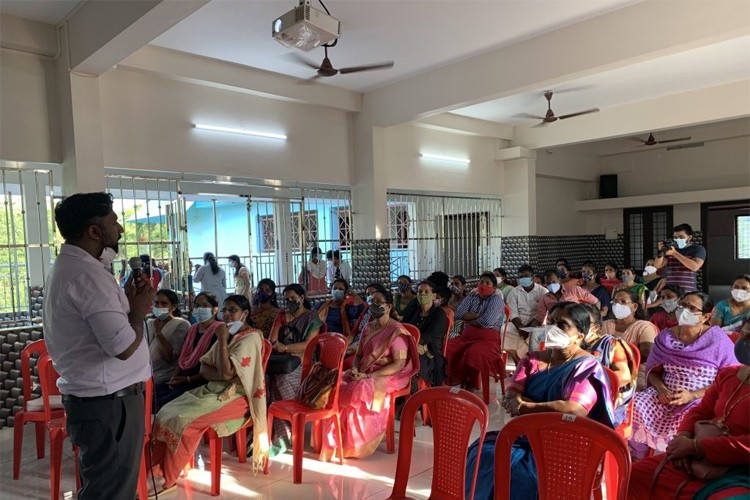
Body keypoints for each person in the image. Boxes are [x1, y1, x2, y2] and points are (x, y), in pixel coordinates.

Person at [43, 192, 153, 500]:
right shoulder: (86, 276)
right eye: (114, 222)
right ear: (94, 231)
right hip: (109, 404)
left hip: (103, 400)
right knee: (111, 493)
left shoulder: (73, 268)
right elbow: (122, 346)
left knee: (105, 489)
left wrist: (130, 306)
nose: (120, 230)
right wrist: (140, 310)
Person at [466, 303, 616, 500]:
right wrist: (548, 406)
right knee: (481, 454)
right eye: (551, 321)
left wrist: (526, 406)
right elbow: (512, 397)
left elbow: (573, 410)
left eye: (562, 325)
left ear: (580, 335)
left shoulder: (587, 367)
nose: (552, 328)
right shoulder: (532, 359)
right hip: (526, 437)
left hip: (565, 443)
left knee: (521, 473)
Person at [149, 295, 268, 496]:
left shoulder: (250, 337)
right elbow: (205, 368)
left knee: (184, 421)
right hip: (212, 390)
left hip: (236, 397)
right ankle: (156, 468)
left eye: (233, 310)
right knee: (166, 411)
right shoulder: (229, 333)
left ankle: (167, 478)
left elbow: (227, 374)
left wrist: (222, 341)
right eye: (225, 310)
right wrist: (222, 372)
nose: (227, 315)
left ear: (245, 313)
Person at [628, 339, 750, 499]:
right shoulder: (729, 374)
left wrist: (695, 447)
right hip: (697, 457)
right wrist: (682, 438)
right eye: (745, 334)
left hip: (738, 468)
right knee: (634, 476)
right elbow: (700, 411)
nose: (744, 342)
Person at [630, 292, 738, 458]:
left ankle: (675, 459)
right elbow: (654, 373)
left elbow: (728, 378)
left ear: (705, 317)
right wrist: (661, 390)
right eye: (682, 306)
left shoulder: (718, 339)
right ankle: (640, 456)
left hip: (701, 397)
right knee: (634, 406)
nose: (684, 311)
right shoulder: (665, 337)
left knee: (689, 420)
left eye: (691, 308)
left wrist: (692, 395)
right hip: (665, 395)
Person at [318, 288, 419, 461]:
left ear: (388, 307)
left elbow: (399, 364)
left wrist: (369, 376)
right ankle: (333, 439)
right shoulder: (368, 327)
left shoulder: (396, 331)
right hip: (365, 371)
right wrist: (356, 369)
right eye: (372, 301)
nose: (374, 305)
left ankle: (354, 444)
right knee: (338, 382)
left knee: (359, 390)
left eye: (379, 302)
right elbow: (358, 356)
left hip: (390, 375)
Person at [267, 284, 322, 454]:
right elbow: (272, 340)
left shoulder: (312, 318)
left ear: (301, 298)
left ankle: (286, 432)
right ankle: (265, 430)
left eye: (293, 298)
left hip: (304, 362)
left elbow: (308, 346)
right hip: (282, 361)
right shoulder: (281, 315)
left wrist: (285, 348)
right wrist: (281, 347)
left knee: (281, 380)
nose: (290, 302)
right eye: (287, 299)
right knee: (263, 380)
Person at [155, 292, 224, 409]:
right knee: (152, 394)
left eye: (205, 306)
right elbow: (183, 358)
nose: (199, 309)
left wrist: (186, 380)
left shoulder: (219, 331)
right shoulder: (193, 329)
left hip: (199, 381)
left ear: (215, 309)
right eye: (197, 305)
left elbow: (213, 368)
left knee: (162, 404)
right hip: (182, 378)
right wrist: (174, 377)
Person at [445, 272, 505, 388]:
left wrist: (469, 319)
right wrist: (478, 315)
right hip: (466, 337)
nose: (483, 285)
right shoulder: (472, 296)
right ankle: (451, 380)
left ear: (494, 288)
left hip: (488, 341)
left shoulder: (496, 300)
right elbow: (459, 313)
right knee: (448, 346)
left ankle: (470, 383)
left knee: (472, 353)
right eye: (481, 282)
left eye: (487, 283)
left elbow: (487, 322)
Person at [579, 303, 636, 426]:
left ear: (596, 328)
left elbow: (624, 376)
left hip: (605, 404)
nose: (576, 327)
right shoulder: (571, 346)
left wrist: (588, 387)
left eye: (582, 323)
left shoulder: (611, 344)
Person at [603, 288, 658, 389]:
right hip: (604, 372)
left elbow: (646, 353)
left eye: (623, 302)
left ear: (634, 307)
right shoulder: (605, 325)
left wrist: (616, 359)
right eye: (615, 302)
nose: (618, 305)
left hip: (634, 375)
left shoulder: (644, 326)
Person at [404, 280, 449, 387]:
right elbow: (403, 327)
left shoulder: (439, 314)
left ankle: (414, 388)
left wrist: (415, 345)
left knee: (414, 356)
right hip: (410, 346)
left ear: (434, 296)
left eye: (426, 292)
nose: (422, 294)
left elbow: (431, 336)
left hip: (430, 352)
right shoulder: (413, 310)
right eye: (420, 291)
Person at [146, 289, 191, 387]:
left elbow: (169, 357)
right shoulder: (149, 323)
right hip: (145, 370)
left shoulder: (181, 325)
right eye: (156, 303)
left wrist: (158, 333)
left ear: (173, 306)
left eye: (164, 303)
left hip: (165, 373)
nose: (159, 306)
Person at [505, 264, 548, 363]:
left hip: (537, 323)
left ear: (533, 277)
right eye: (521, 277)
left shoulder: (543, 291)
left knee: (536, 335)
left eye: (526, 276)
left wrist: (528, 328)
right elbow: (513, 313)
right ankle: (517, 361)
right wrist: (521, 328)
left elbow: (542, 314)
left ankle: (531, 362)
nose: (523, 278)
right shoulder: (514, 292)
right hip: (518, 323)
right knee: (505, 330)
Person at [654, 223, 707, 293]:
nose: (678, 239)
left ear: (689, 237)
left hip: (687, 290)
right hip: (670, 290)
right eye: (675, 237)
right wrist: (661, 252)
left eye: (681, 237)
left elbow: (695, 266)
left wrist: (674, 253)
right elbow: (657, 265)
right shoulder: (670, 248)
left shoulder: (697, 249)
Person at [534, 269, 599, 325]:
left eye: (554, 282)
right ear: (545, 284)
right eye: (548, 283)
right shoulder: (545, 298)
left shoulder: (574, 290)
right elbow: (540, 317)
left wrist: (593, 319)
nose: (551, 285)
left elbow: (595, 301)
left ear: (559, 280)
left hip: (575, 325)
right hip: (555, 328)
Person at [448, 274, 467, 339]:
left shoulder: (466, 301)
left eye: (456, 284)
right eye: (452, 284)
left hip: (456, 330)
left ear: (464, 286)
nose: (453, 286)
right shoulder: (448, 300)